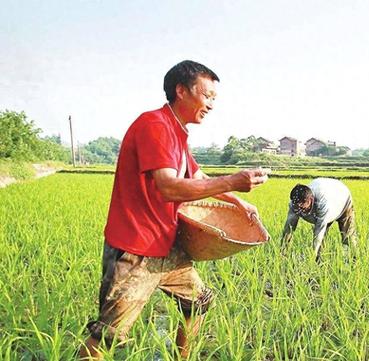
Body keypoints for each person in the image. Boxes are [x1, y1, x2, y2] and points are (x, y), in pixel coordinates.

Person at [79, 60, 269, 360]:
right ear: (181, 90)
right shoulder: (155, 125)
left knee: (199, 302)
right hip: (135, 251)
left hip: (165, 246)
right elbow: (168, 187)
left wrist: (238, 200)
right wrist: (233, 180)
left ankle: (182, 357)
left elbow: (197, 176)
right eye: (207, 96)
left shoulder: (176, 132)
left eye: (214, 99)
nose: (211, 104)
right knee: (107, 335)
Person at [281, 178, 356, 262]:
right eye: (297, 207)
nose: (299, 210)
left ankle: (354, 259)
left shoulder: (322, 203)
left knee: (347, 235)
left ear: (311, 200)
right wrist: (283, 252)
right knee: (321, 240)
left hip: (342, 199)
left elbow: (319, 231)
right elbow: (289, 228)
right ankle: (319, 261)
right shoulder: (294, 203)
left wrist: (311, 255)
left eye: (302, 207)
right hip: (328, 197)